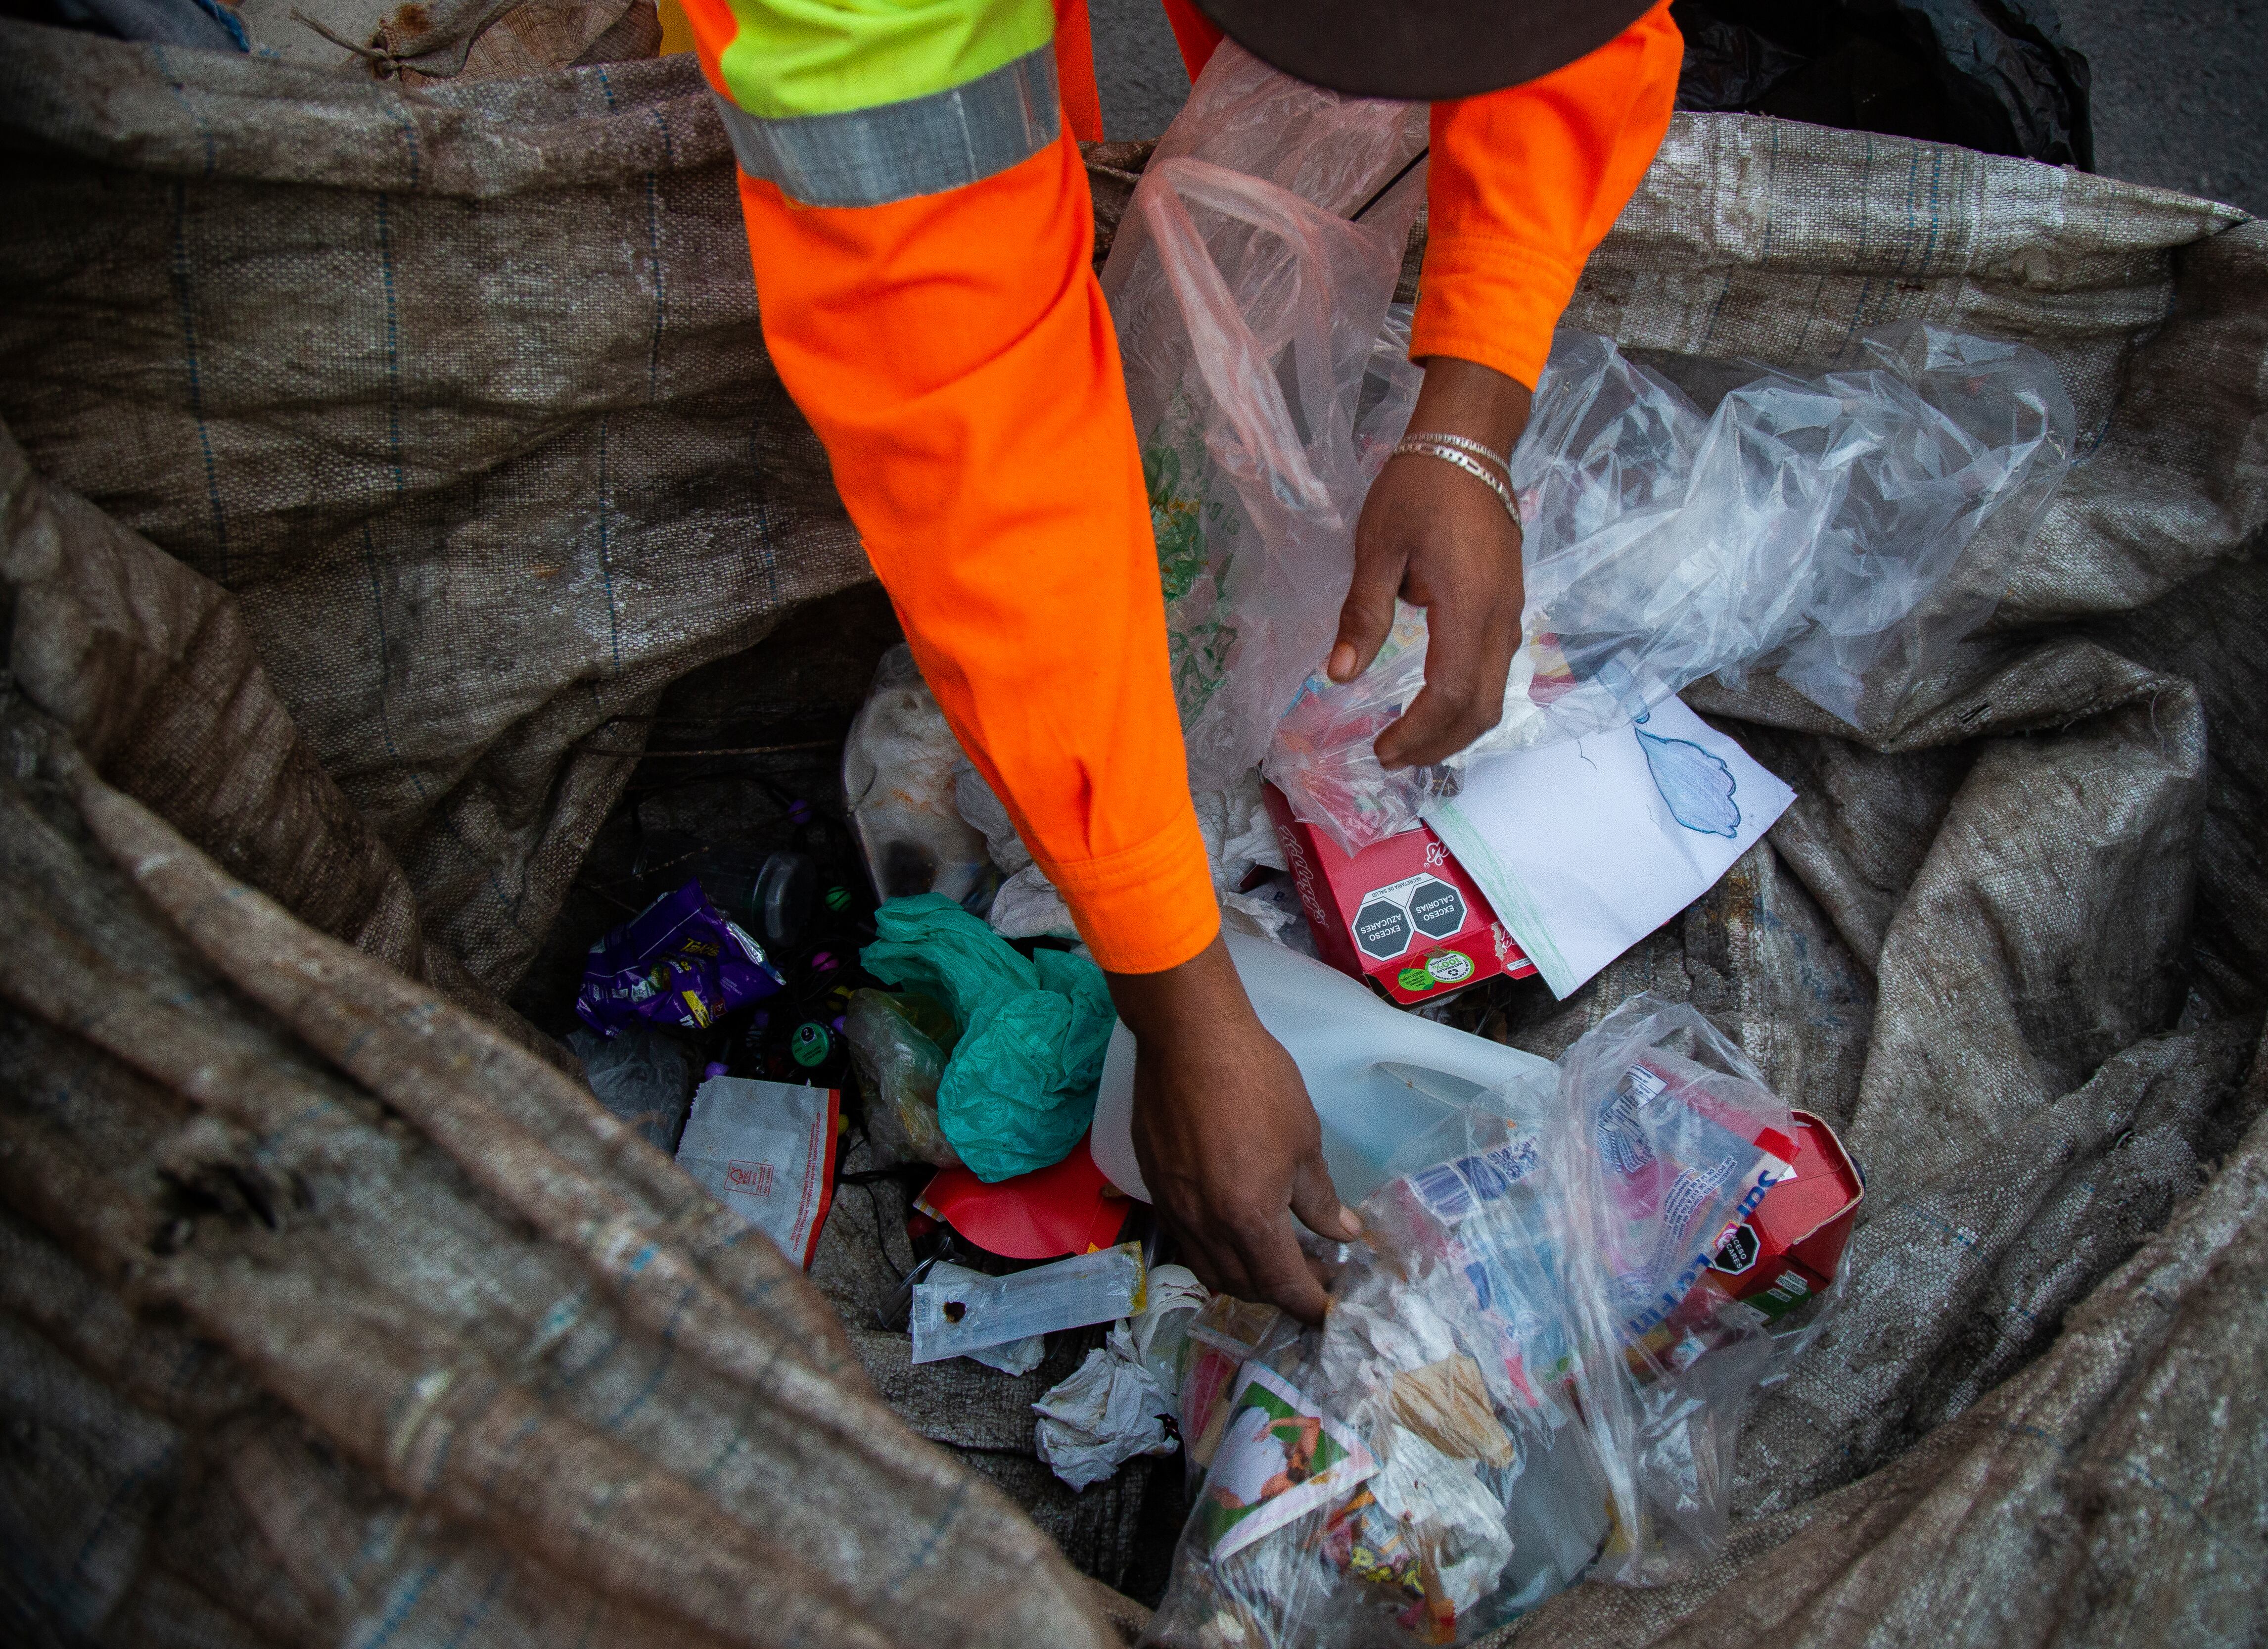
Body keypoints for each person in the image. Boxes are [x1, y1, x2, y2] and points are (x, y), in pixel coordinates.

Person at [670, 0, 1684, 1321]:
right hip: (893, 119)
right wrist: (1179, 996)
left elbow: (1573, 41)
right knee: (999, 197)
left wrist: (1470, 413)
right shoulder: (864, 32)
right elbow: (983, 447)